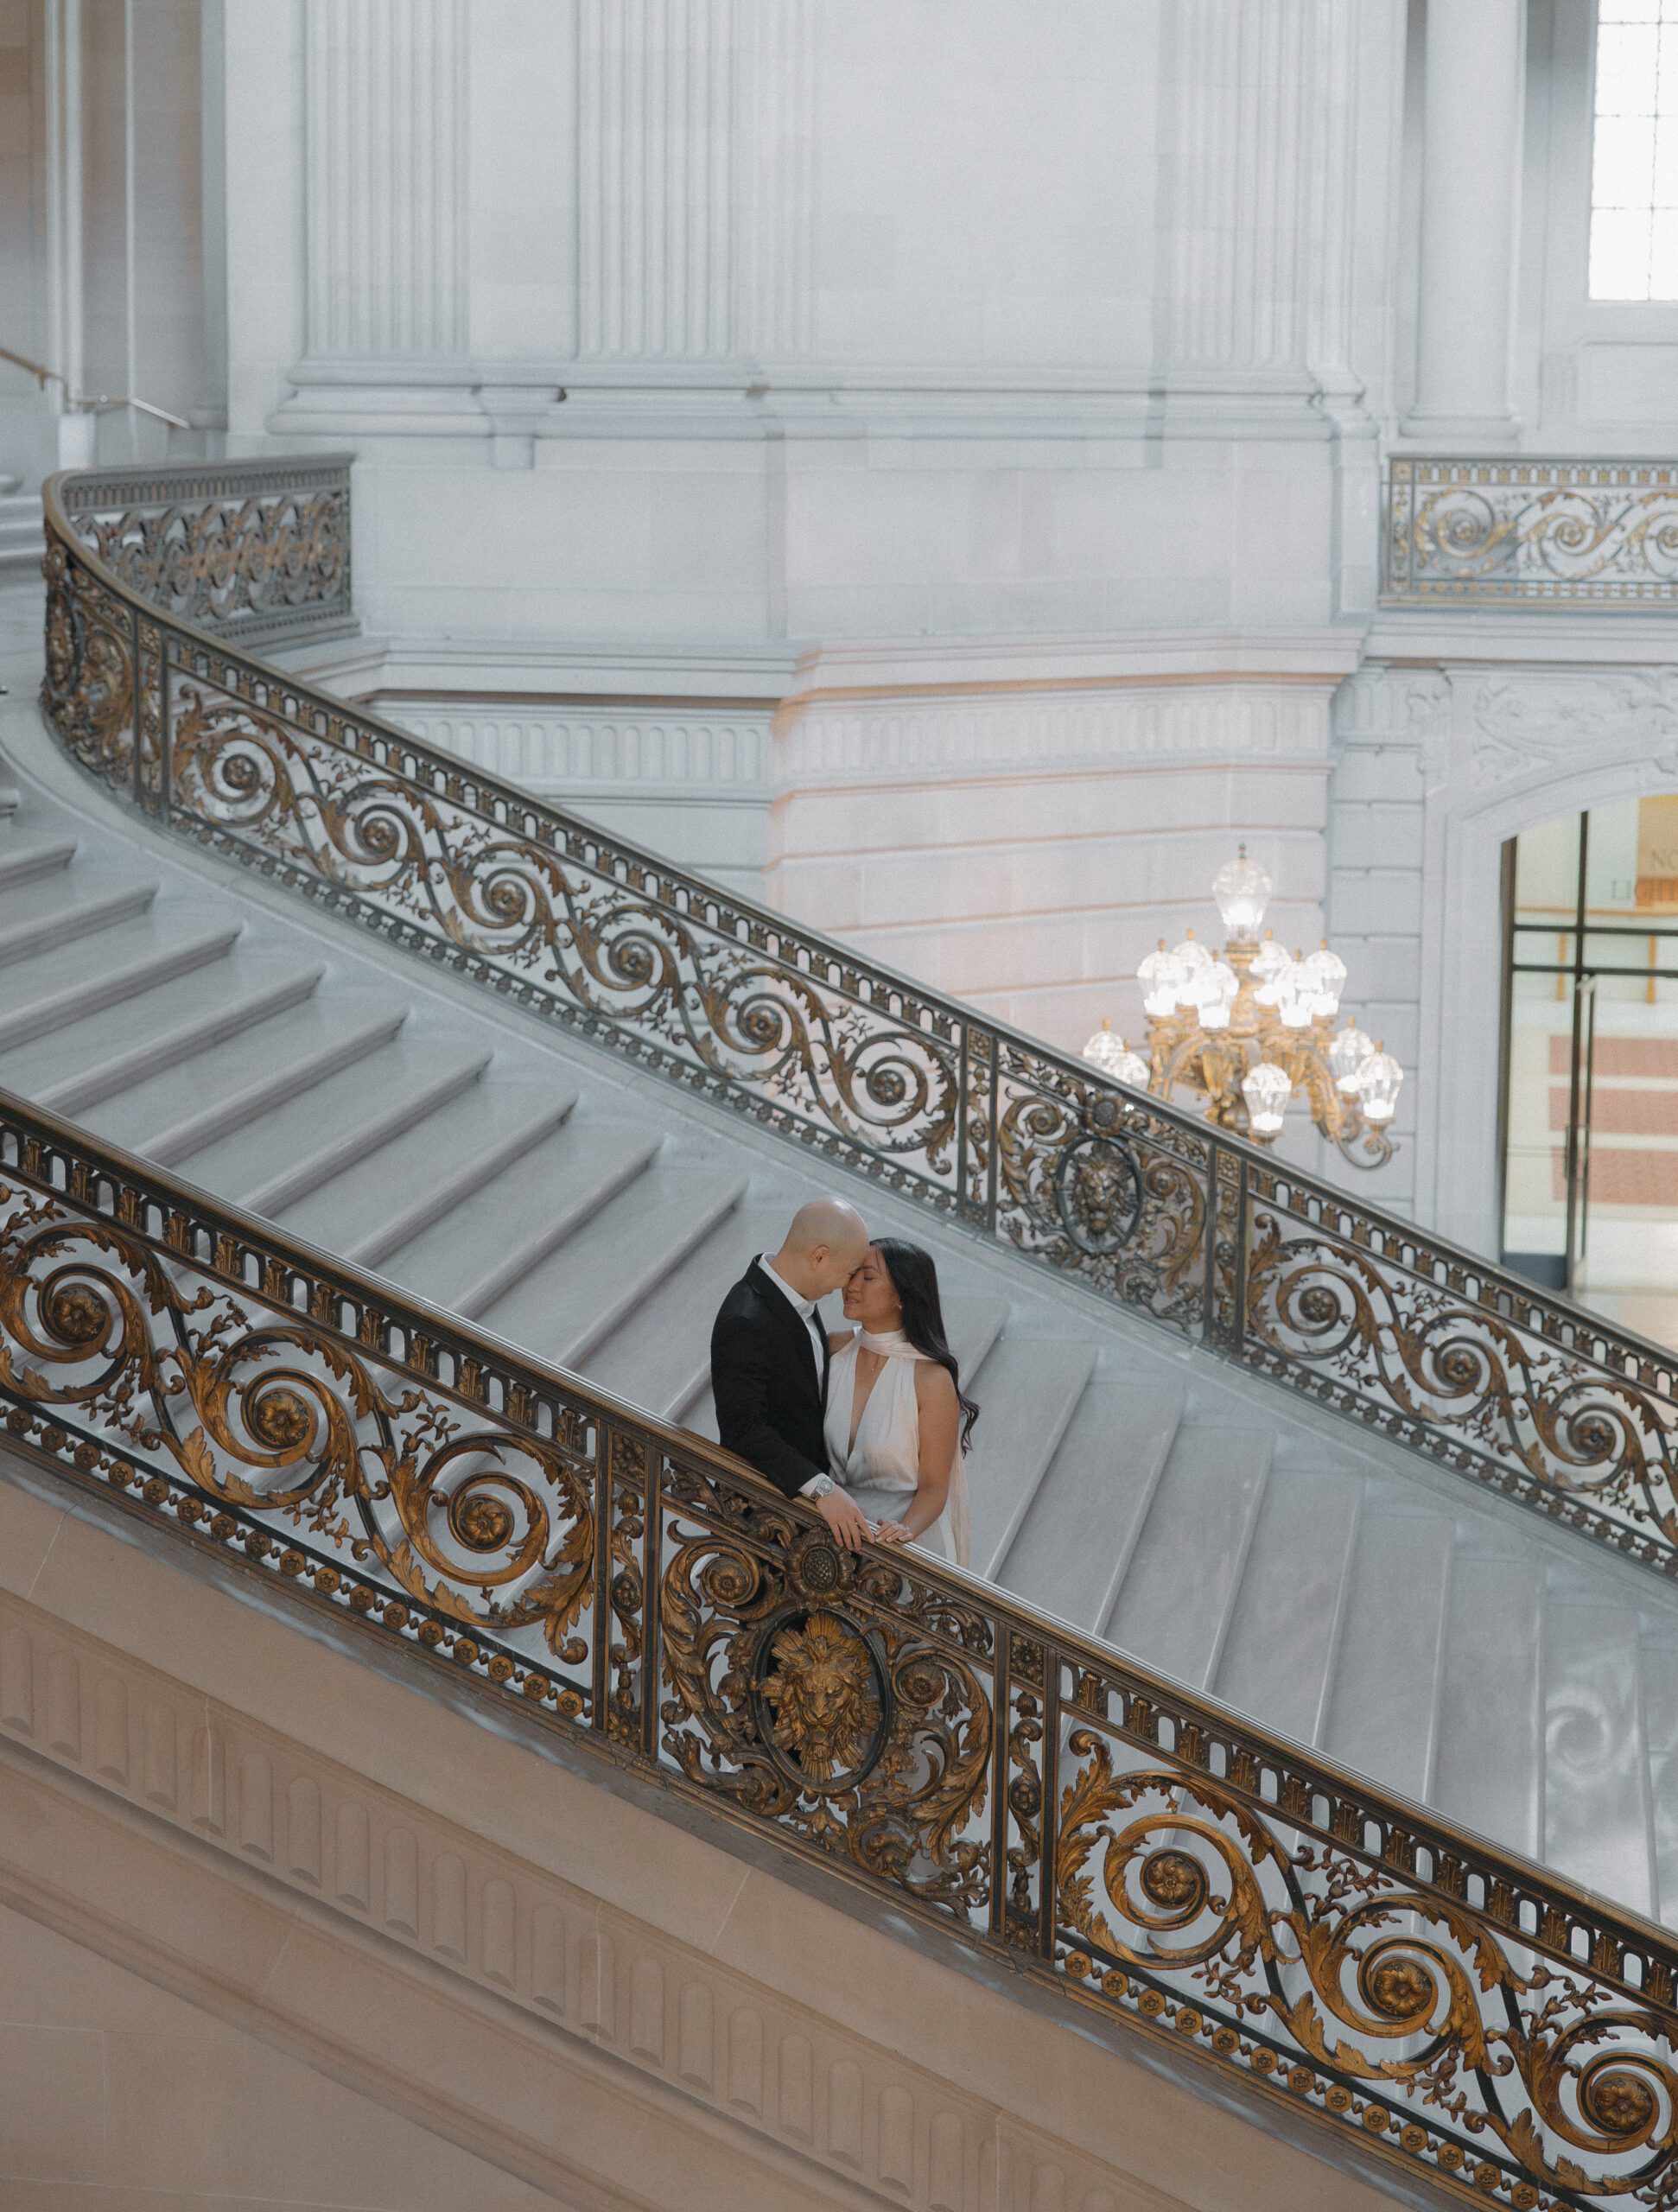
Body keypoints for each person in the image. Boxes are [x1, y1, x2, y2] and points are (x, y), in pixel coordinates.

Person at [710, 1197, 874, 1549]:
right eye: (847, 1273)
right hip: (765, 1518)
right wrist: (821, 1488)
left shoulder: (800, 1296)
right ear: (819, 1257)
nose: (845, 1286)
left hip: (804, 1516)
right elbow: (744, 1429)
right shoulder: (745, 1319)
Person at [823, 1238, 976, 1567]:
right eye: (852, 1275)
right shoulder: (833, 1349)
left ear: (902, 1298)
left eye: (868, 1277)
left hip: (899, 1548)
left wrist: (902, 1531)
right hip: (826, 1532)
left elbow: (935, 1489)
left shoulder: (931, 1379)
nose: (850, 1286)